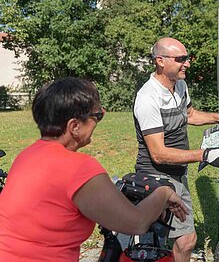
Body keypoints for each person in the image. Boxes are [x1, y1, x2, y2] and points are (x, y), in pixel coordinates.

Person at [0, 77, 188, 262]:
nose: (100, 118)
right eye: (98, 115)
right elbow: (136, 223)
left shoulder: (27, 155)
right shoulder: (79, 168)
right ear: (74, 126)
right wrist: (164, 192)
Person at [133, 37, 219, 262]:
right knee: (184, 239)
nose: (187, 63)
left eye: (187, 58)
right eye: (181, 59)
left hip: (177, 172)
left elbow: (189, 115)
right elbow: (158, 153)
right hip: (156, 176)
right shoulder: (147, 98)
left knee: (168, 239)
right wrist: (205, 155)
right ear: (160, 61)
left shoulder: (179, 85)